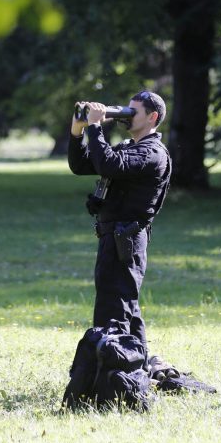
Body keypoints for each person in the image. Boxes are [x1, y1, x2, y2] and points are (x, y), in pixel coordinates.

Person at [68, 91, 172, 355]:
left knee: (113, 308)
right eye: (125, 110)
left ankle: (112, 375)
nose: (126, 115)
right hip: (113, 236)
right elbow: (81, 165)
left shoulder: (152, 152)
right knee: (126, 307)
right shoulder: (130, 147)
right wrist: (77, 132)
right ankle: (139, 366)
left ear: (153, 117)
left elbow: (109, 166)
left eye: (132, 112)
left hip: (126, 239)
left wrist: (95, 126)